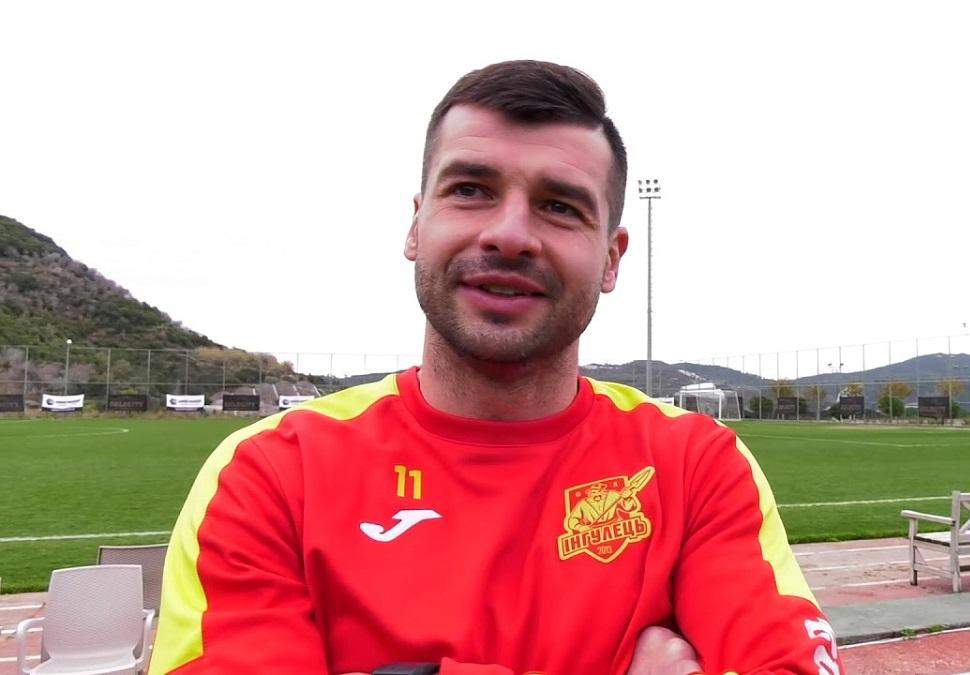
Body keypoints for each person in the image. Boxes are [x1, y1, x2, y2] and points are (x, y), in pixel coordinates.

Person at [149, 60, 841, 675]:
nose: (509, 234)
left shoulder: (695, 466)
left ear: (611, 258)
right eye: (470, 190)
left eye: (560, 206)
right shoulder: (272, 474)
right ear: (416, 225)